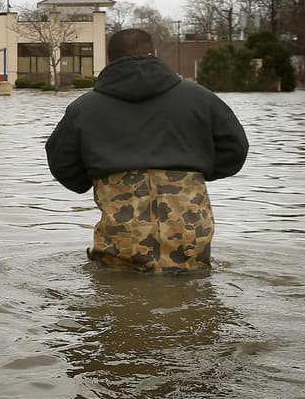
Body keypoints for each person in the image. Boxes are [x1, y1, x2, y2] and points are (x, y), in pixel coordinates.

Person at [45, 28, 249, 273]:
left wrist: (92, 179)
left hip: (123, 233)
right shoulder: (200, 98)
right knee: (194, 289)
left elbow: (61, 161)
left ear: (110, 60)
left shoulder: (83, 108)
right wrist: (197, 169)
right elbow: (236, 147)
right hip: (188, 228)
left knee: (118, 291)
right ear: (153, 53)